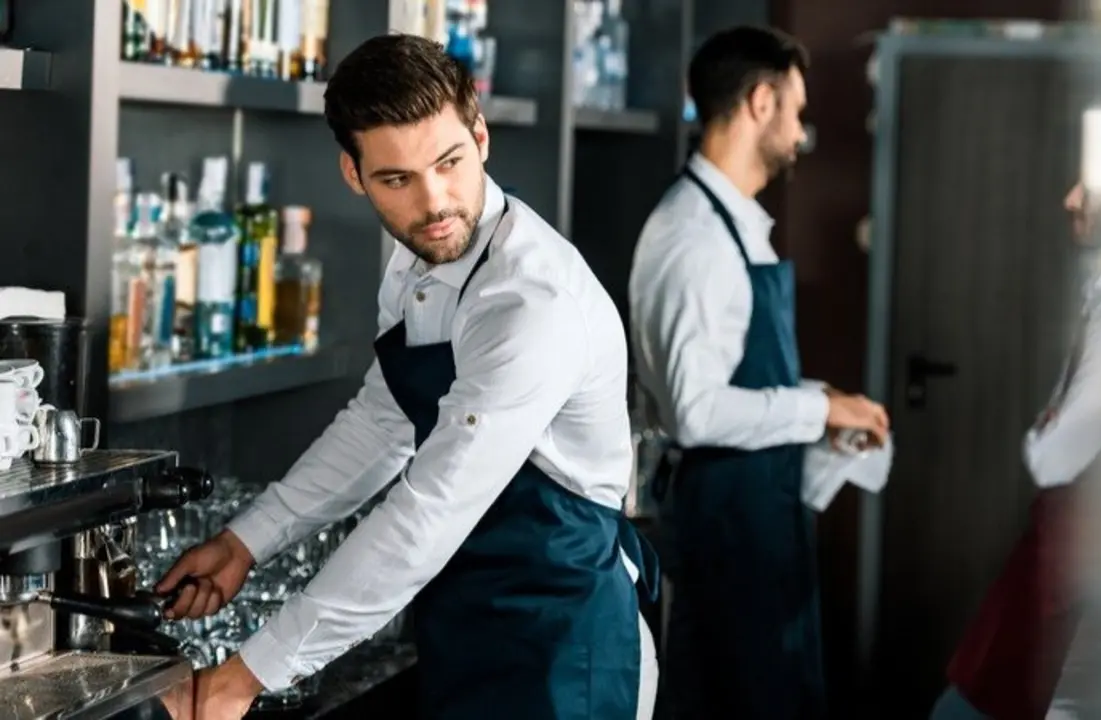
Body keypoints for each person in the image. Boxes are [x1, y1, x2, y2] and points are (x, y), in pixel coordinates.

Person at [157, 35, 659, 720]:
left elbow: (429, 512)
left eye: (449, 162)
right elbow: (384, 418)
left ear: (479, 133)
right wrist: (247, 539)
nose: (434, 203)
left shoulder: (529, 304)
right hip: (467, 625)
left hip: (566, 644)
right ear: (353, 174)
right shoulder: (420, 258)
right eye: (396, 179)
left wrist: (245, 676)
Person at [628, 25, 890, 720]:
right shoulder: (694, 237)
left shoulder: (734, 222)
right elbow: (696, 412)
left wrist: (827, 402)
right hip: (724, 535)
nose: (801, 132)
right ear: (760, 101)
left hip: (758, 523)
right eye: (797, 111)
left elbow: (733, 383)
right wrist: (818, 412)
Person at [929, 181, 1101, 720]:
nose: (1069, 198)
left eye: (1089, 185)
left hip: (1081, 557)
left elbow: (1054, 455)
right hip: (1060, 546)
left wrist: (1048, 432)